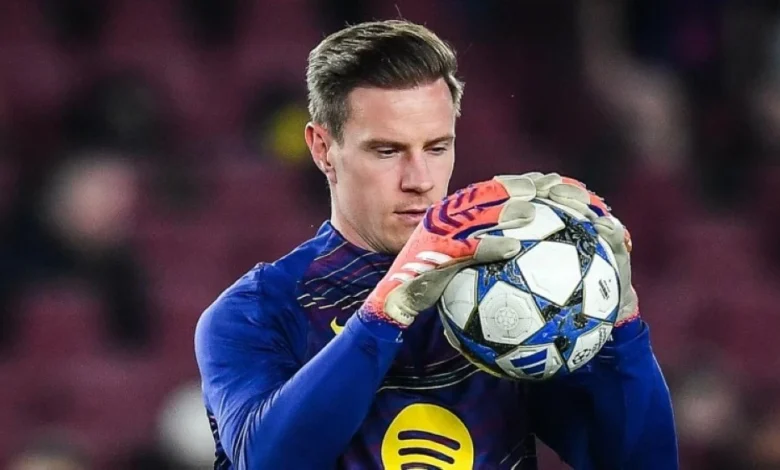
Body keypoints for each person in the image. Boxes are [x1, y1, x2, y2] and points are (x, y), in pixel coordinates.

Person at [195, 20, 678, 469]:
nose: (420, 180)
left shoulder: (509, 293)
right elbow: (267, 460)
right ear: (323, 148)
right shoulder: (258, 309)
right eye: (387, 151)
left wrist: (622, 331)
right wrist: (382, 317)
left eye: (437, 147)